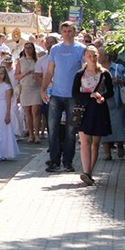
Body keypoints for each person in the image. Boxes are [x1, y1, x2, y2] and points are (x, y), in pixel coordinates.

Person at [41, 22, 86, 173]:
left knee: (70, 130)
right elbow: (49, 71)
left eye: (70, 31)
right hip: (56, 94)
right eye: (64, 31)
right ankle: (54, 161)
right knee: (52, 129)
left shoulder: (81, 49)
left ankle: (68, 161)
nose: (67, 33)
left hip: (73, 96)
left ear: (74, 32)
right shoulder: (55, 49)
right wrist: (43, 88)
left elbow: (84, 72)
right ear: (61, 33)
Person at [73, 46, 114, 185]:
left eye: (94, 55)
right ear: (84, 56)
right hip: (84, 109)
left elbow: (111, 92)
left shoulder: (105, 73)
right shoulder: (80, 73)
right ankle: (86, 172)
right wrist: (88, 95)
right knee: (85, 142)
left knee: (95, 143)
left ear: (98, 56)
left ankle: (89, 172)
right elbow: (75, 93)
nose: (92, 58)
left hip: (99, 109)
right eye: (89, 55)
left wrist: (102, 97)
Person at [98, 46, 125, 160]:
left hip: (116, 100)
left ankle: (120, 145)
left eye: (99, 55)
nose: (97, 57)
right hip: (101, 101)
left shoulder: (119, 67)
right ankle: (107, 152)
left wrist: (120, 81)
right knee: (103, 125)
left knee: (119, 125)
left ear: (106, 57)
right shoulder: (96, 69)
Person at [16, 43, 42, 143]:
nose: (28, 50)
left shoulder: (37, 61)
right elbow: (16, 76)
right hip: (25, 88)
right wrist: (25, 73)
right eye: (26, 48)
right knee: (27, 112)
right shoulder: (20, 61)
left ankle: (37, 135)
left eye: (30, 48)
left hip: (36, 88)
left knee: (36, 111)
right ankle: (30, 134)